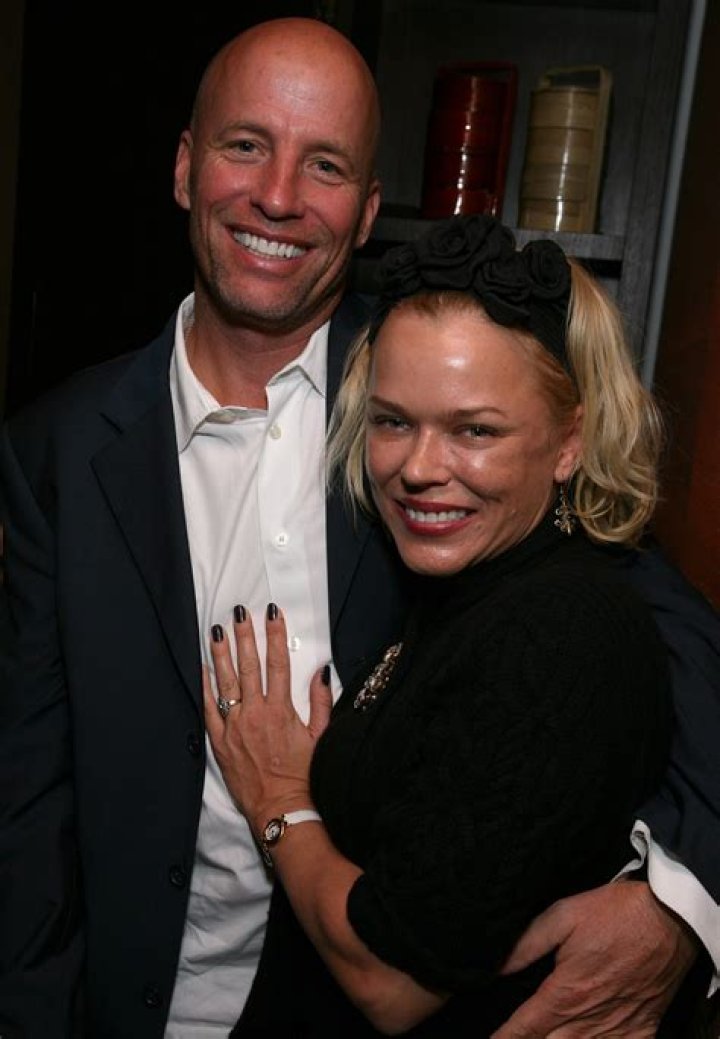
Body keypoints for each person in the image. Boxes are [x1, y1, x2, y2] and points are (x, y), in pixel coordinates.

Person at [0, 15, 717, 1039]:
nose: (279, 195)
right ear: (185, 166)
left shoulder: (439, 389)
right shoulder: (58, 452)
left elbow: (659, 643)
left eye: (325, 164)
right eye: (246, 144)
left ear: (370, 210)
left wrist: (681, 898)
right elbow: (26, 805)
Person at [197, 213, 689, 1035]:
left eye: (475, 430)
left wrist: (279, 802)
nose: (419, 468)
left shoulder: (559, 630)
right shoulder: (470, 588)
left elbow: (392, 981)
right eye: (393, 421)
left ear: (568, 443)